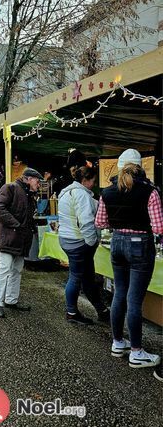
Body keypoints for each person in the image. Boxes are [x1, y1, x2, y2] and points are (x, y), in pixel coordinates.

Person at [95, 149, 163, 369]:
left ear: (120, 166)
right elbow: (159, 227)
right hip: (140, 245)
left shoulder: (108, 191)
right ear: (140, 166)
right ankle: (136, 352)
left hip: (117, 243)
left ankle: (117, 342)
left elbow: (101, 223)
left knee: (119, 294)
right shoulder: (149, 191)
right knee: (134, 300)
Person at [58, 166, 109, 325]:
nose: (94, 184)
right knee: (76, 277)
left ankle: (102, 310)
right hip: (78, 242)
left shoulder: (67, 192)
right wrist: (92, 241)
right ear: (85, 180)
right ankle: (71, 312)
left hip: (67, 239)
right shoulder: (81, 194)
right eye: (93, 181)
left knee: (86, 277)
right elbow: (86, 222)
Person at [0, 168, 43, 318]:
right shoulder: (10, 188)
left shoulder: (28, 194)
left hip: (19, 239)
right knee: (5, 269)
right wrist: (17, 225)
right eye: (37, 181)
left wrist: (30, 227)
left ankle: (11, 300)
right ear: (28, 179)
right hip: (10, 238)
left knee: (16, 270)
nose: (39, 184)